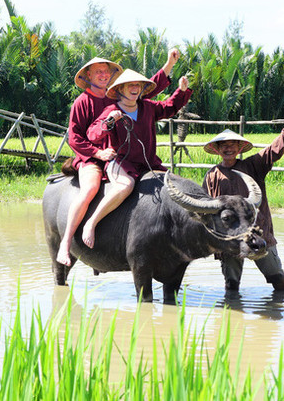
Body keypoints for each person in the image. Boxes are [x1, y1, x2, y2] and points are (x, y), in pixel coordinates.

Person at [56, 49, 181, 266]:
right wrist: (97, 153)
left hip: (121, 153)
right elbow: (75, 138)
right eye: (98, 72)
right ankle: (66, 244)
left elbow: (147, 88)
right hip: (93, 157)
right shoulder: (82, 102)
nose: (103, 75)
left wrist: (169, 64)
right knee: (90, 189)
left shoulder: (120, 96)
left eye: (106, 72)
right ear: (88, 76)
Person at [83, 69, 192, 248]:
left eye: (138, 85)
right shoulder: (111, 110)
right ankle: (92, 223)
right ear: (121, 89)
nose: (135, 88)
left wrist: (181, 90)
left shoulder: (148, 107)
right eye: (130, 85)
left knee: (174, 185)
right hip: (121, 163)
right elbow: (93, 135)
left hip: (148, 163)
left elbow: (170, 107)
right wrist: (110, 122)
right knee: (126, 186)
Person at [202, 128, 284, 291]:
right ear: (217, 149)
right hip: (229, 239)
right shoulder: (212, 176)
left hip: (259, 234)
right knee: (231, 286)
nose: (228, 148)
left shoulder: (253, 165)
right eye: (224, 145)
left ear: (239, 148)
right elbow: (205, 208)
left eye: (233, 145)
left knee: (278, 279)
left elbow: (274, 150)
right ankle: (232, 313)